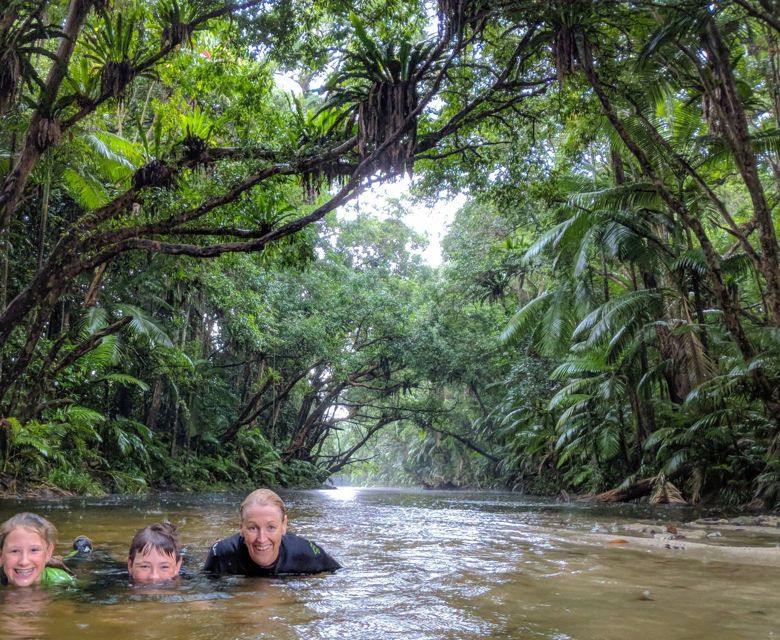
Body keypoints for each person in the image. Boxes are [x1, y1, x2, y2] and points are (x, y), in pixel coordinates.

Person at [204, 489, 341, 576]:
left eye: (271, 527)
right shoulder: (222, 554)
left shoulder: (307, 552)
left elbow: (339, 575)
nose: (262, 539)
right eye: (252, 528)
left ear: (284, 525)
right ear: (241, 528)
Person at [0, 512, 77, 587]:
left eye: (34, 550)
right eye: (14, 551)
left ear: (48, 553)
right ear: (1, 555)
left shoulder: (62, 581)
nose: (24, 562)